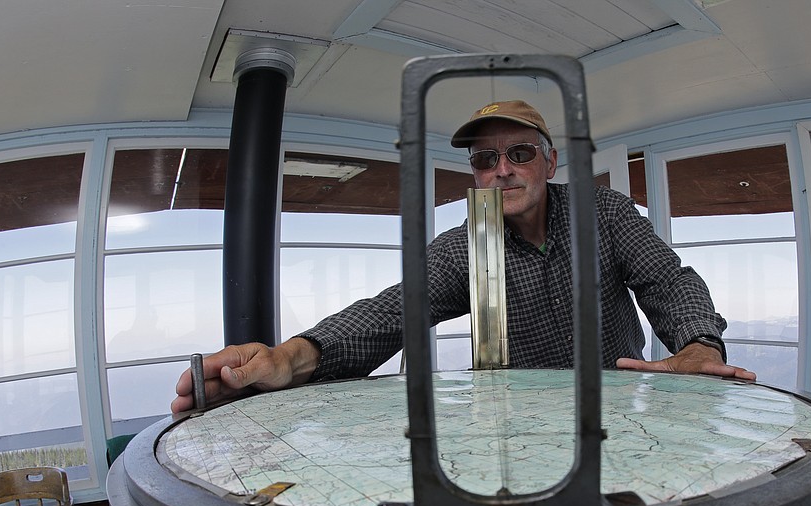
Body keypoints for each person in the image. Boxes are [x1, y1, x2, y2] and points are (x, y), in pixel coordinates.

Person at [172, 100, 754, 413]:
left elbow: (666, 280)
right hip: (512, 423)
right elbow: (392, 311)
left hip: (618, 410)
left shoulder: (603, 214)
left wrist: (698, 344)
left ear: (550, 163)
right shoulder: (468, 243)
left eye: (520, 152)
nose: (502, 170)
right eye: (484, 159)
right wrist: (292, 358)